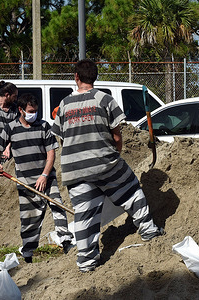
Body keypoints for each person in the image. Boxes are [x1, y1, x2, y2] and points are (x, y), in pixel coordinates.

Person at [51, 59, 164, 272]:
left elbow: (61, 139)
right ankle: (149, 230)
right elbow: (117, 136)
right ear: (95, 77)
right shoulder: (105, 100)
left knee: (85, 216)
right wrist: (115, 155)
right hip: (105, 162)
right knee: (131, 191)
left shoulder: (64, 104)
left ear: (76, 77)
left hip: (75, 170)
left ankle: (86, 262)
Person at [0, 93, 74, 263]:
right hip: (25, 182)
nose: (33, 114)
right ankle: (28, 253)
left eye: (35, 111)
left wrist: (44, 175)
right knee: (29, 218)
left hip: (46, 178)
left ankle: (66, 241)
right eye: (30, 111)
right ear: (21, 110)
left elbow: (51, 154)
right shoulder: (11, 128)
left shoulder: (44, 126)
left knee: (57, 206)